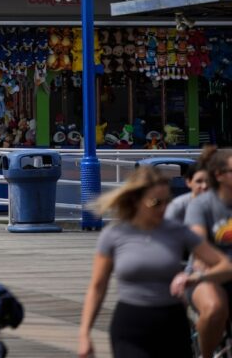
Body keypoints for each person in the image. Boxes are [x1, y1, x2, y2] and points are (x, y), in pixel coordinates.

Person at [79, 165, 232, 358]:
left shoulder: (177, 231)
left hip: (171, 323)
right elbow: (97, 286)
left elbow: (225, 265)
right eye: (155, 202)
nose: (163, 208)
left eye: (166, 201)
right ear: (136, 200)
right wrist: (84, 333)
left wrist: (197, 277)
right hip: (130, 324)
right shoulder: (114, 234)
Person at [183, 146, 232, 357]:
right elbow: (200, 248)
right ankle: (206, 355)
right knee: (214, 308)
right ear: (219, 175)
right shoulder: (201, 205)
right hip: (207, 276)